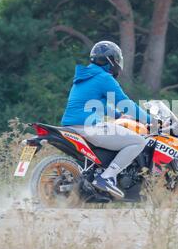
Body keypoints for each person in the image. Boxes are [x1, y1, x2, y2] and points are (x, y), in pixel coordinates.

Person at [61, 41, 151, 199]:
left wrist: (117, 115)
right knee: (138, 142)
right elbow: (126, 104)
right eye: (117, 59)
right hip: (88, 127)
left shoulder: (84, 76)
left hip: (71, 126)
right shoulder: (104, 78)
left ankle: (97, 176)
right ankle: (107, 177)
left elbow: (97, 104)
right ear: (111, 61)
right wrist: (151, 120)